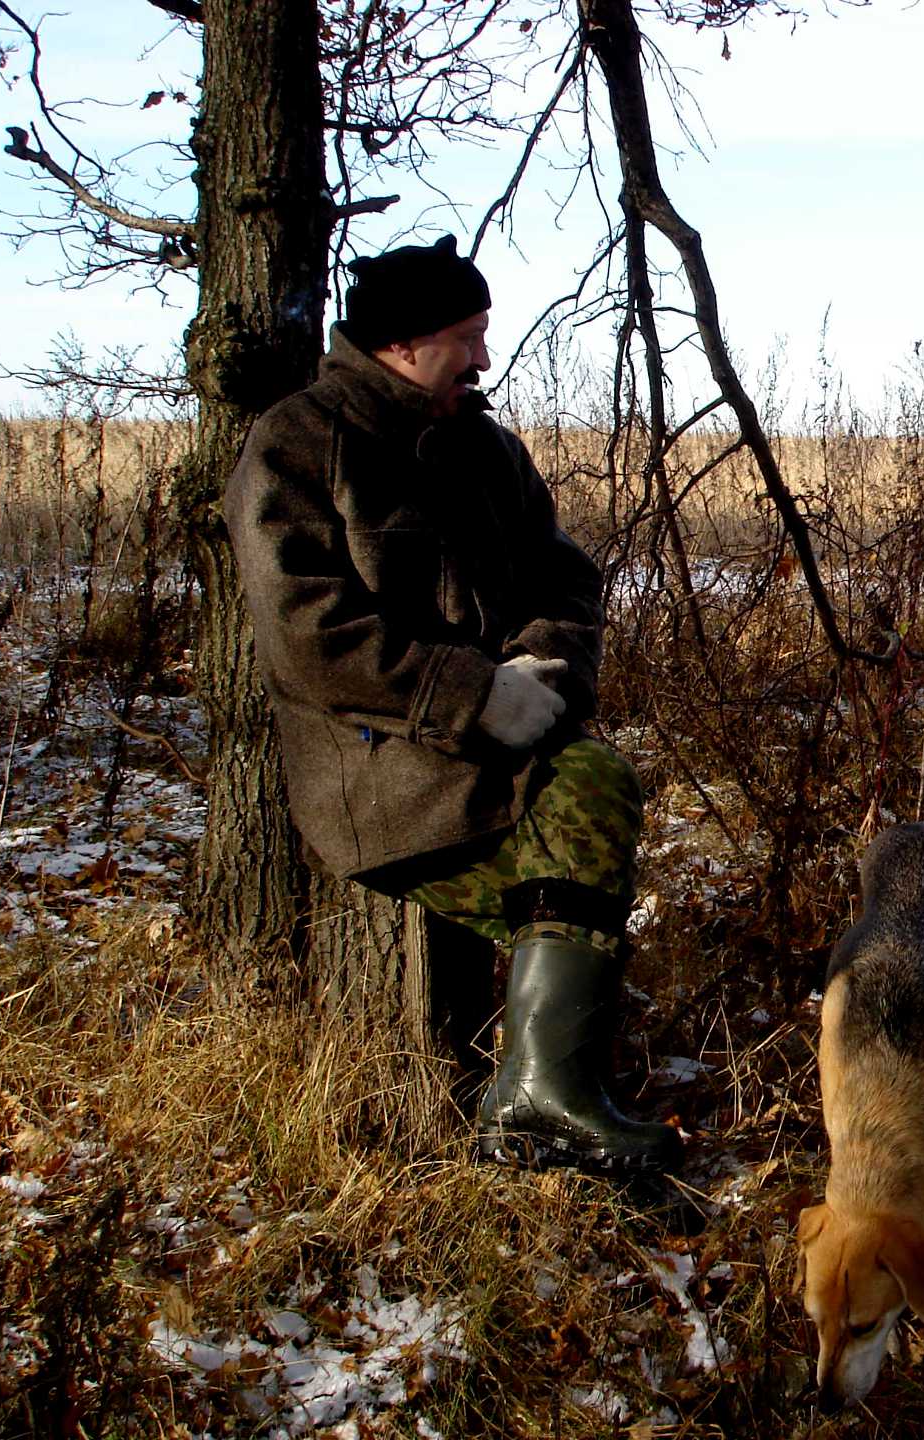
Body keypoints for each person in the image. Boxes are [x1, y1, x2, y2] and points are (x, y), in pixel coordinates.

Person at [223, 234, 681, 1177]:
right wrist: (472, 696)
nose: (481, 357)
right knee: (578, 824)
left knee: (593, 793)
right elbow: (308, 631)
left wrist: (539, 671)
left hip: (493, 746)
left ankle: (536, 1095)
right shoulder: (298, 442)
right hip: (377, 767)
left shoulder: (489, 450)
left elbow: (565, 582)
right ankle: (539, 1094)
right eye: (466, 335)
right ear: (401, 343)